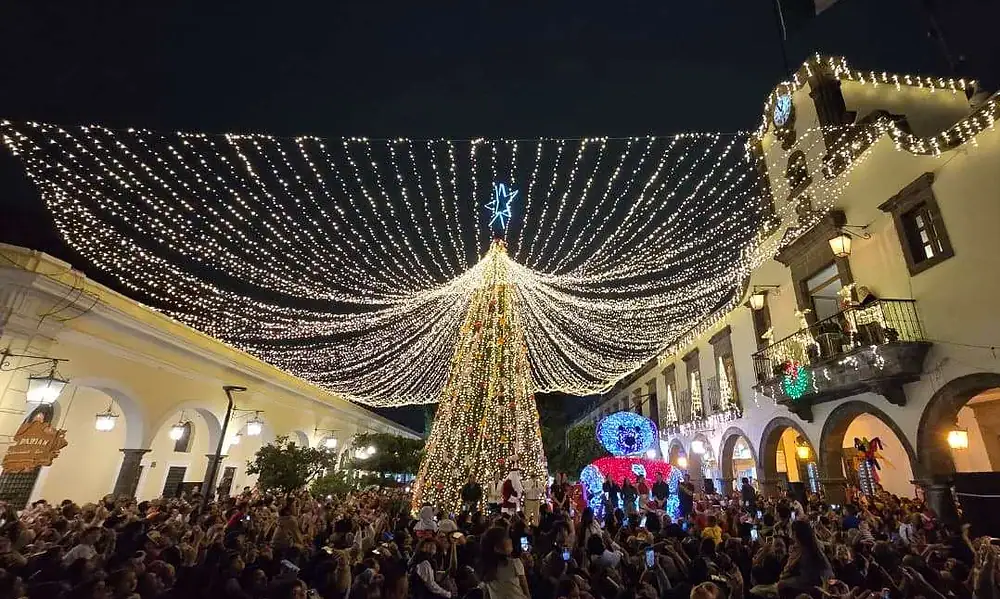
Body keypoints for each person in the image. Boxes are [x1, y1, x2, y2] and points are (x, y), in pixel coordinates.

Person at [480, 527, 530, 599]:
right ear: (497, 548)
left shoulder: (487, 568)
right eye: (506, 538)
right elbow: (525, 589)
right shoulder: (515, 563)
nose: (510, 540)